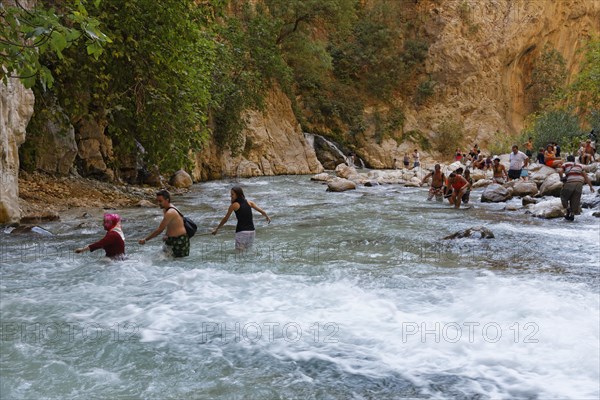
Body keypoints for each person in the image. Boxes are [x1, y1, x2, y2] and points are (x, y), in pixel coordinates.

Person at [212, 186, 271, 250]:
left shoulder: (234, 205)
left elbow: (225, 219)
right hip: (252, 232)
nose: (230, 196)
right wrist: (267, 217)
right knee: (247, 253)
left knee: (239, 255)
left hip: (241, 232)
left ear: (238, 195)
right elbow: (262, 211)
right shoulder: (249, 202)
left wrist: (217, 229)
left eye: (232, 194)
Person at [139, 189, 189, 258]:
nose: (158, 203)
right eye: (157, 201)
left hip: (179, 241)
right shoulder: (165, 209)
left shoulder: (170, 212)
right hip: (170, 239)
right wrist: (167, 235)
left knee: (177, 264)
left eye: (160, 201)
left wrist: (145, 239)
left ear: (167, 200)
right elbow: (170, 225)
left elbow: (160, 230)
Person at [558, 155, 595, 221]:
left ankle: (568, 209)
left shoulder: (565, 164)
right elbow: (585, 176)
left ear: (567, 159)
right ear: (574, 160)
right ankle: (571, 214)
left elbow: (560, 171)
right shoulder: (579, 166)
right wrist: (591, 186)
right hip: (580, 183)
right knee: (575, 199)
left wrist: (562, 178)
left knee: (563, 196)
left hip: (570, 182)